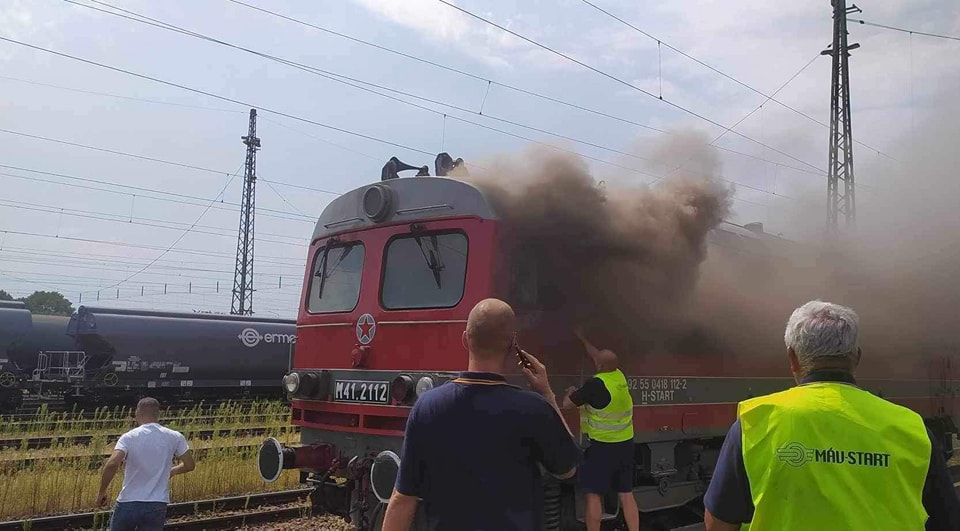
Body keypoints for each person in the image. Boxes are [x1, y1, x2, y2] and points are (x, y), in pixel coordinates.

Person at [704, 300, 960, 531]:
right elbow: (947, 521)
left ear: (792, 358)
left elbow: (718, 524)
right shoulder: (912, 430)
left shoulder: (755, 423)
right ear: (856, 358)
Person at [382, 298, 580, 531]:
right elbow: (569, 469)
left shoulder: (427, 407)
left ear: (465, 339)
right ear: (512, 346)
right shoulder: (534, 409)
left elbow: (402, 499)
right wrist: (547, 394)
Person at [560, 328, 640, 531]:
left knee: (593, 494)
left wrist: (571, 392)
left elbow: (567, 405)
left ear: (600, 366)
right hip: (625, 445)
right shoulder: (619, 377)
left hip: (602, 448)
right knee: (626, 493)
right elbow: (598, 355)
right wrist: (583, 338)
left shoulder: (595, 385)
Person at [97, 397, 195, 531]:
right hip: (157, 503)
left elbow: (113, 463)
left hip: (128, 501)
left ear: (137, 413)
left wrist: (102, 492)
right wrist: (172, 471)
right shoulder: (175, 436)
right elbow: (190, 465)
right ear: (158, 414)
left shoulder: (129, 437)